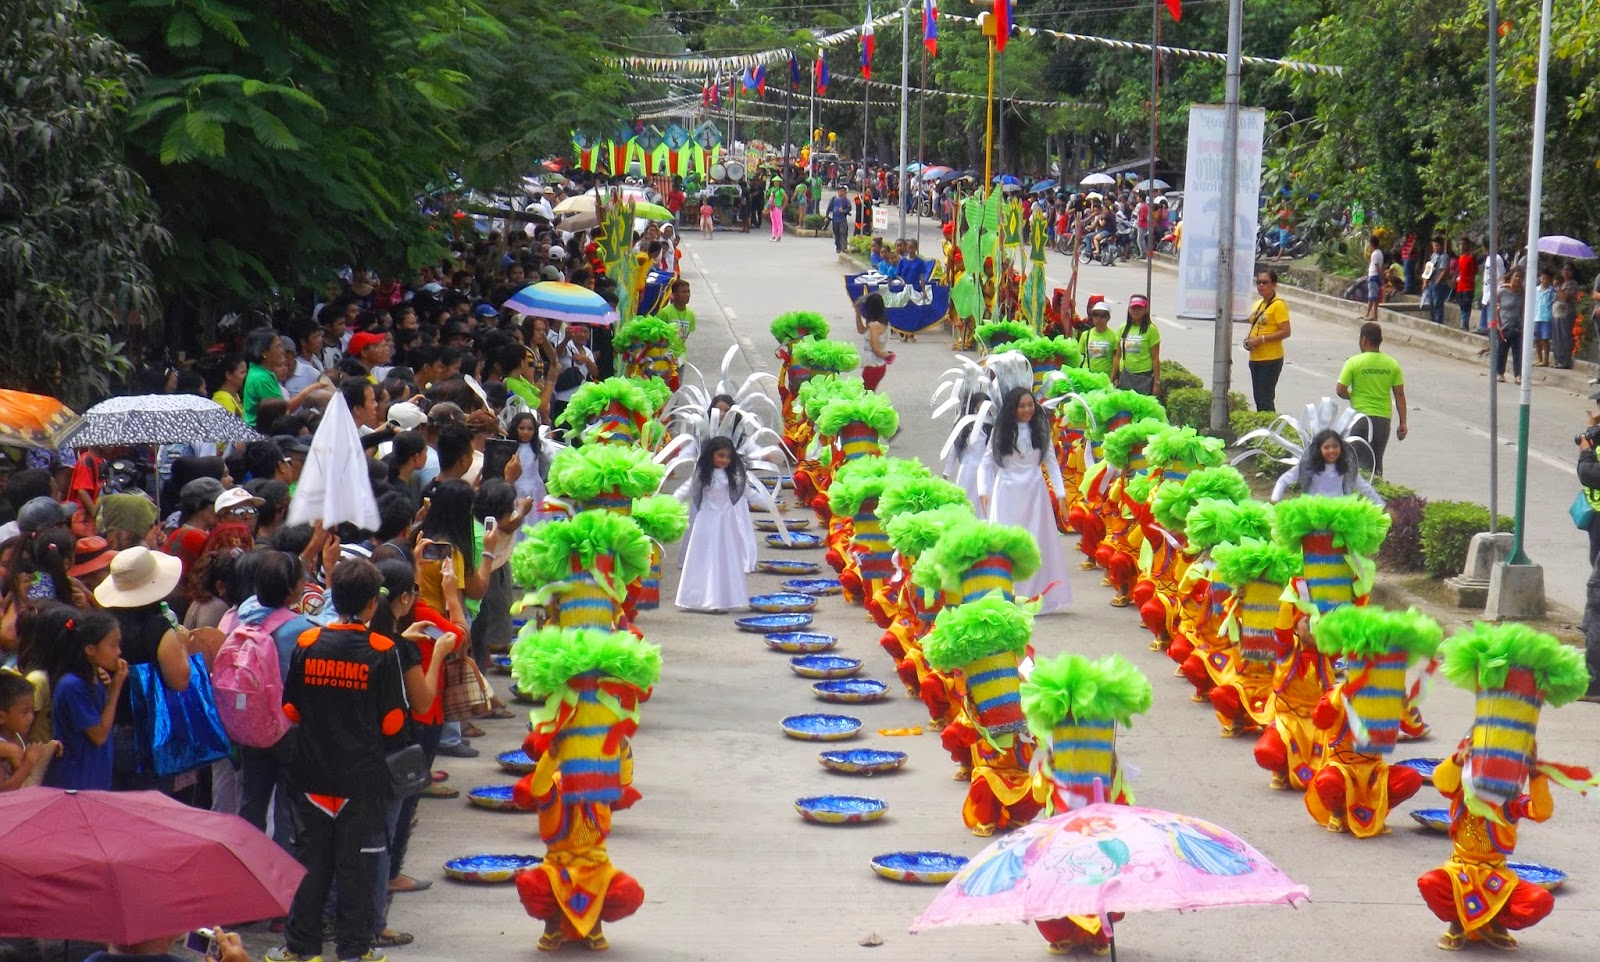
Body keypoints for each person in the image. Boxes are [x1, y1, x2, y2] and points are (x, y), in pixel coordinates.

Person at [269, 558, 409, 962]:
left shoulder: (308, 644)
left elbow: (291, 710)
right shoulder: (382, 650)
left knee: (310, 865)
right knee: (358, 868)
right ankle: (355, 950)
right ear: (371, 606)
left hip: (310, 777)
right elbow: (393, 722)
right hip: (360, 781)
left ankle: (301, 949)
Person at [978, 387, 1072, 614]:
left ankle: (1033, 597)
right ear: (1013, 408)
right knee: (1006, 544)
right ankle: (1005, 594)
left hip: (1034, 493)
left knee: (1036, 542)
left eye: (1030, 405)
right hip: (1006, 492)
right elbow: (986, 463)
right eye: (1022, 406)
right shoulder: (1001, 431)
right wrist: (984, 490)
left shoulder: (1040, 429)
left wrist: (1061, 495)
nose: (1027, 410)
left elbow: (1050, 462)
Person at [673, 437, 761, 613]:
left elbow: (749, 493)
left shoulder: (733, 477)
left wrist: (770, 504)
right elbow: (684, 492)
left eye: (728, 457)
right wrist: (665, 505)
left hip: (726, 524)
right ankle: (701, 598)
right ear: (711, 455)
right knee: (704, 558)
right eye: (720, 455)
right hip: (705, 522)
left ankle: (721, 599)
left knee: (723, 559)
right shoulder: (702, 475)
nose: (724, 460)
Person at [41, 610, 124, 791]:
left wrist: (110, 688)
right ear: (90, 650)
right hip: (77, 781)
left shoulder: (94, 680)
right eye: (113, 645)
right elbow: (99, 735)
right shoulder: (72, 686)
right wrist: (116, 688)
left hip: (97, 775)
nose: (118, 652)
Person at [1335, 322, 1407, 476]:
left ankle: (1357, 495)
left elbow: (1340, 390)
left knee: (1357, 461)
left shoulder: (1354, 362)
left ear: (1364, 340)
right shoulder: (1392, 364)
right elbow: (1400, 395)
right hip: (1383, 419)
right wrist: (1403, 423)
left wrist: (1353, 397)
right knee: (1376, 460)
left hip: (1360, 418)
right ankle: (1376, 494)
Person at [1269, 429, 1384, 503]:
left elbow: (1364, 487)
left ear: (1341, 447)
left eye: (1335, 446)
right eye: (1326, 447)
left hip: (1340, 512)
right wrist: (1275, 499)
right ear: (1319, 449)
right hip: (1313, 511)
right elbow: (1283, 480)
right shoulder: (1309, 466)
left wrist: (1383, 506)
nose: (1331, 451)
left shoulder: (1346, 467)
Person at [0, 669, 59, 790]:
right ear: (1, 717)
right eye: (25, 712)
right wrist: (29, 763)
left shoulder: (19, 737)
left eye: (33, 710)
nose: (31, 717)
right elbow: (4, 791)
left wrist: (48, 749)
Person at [1244, 270, 1291, 412]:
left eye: (1265, 282)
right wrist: (1249, 340)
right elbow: (1255, 325)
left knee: (1266, 398)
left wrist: (1262, 339)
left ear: (1274, 284)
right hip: (1255, 357)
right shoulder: (1258, 304)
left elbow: (1286, 331)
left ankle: (1269, 428)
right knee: (1258, 397)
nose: (1261, 286)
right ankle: (1262, 425)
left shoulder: (1278, 305)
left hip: (1271, 359)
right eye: (1258, 282)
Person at [1111, 295, 1161, 396]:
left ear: (1146, 310)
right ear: (1129, 309)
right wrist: (1112, 378)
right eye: (1133, 308)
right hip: (1125, 375)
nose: (1136, 311)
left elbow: (1155, 358)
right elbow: (1117, 357)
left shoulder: (1151, 329)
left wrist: (1157, 383)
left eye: (1140, 308)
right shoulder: (1123, 328)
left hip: (1143, 377)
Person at [242, 328, 289, 428]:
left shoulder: (259, 371)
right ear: (264, 353)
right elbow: (281, 411)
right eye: (278, 346)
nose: (282, 351)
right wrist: (311, 389)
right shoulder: (262, 378)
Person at [854, 293, 894, 391]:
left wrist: (885, 355)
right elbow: (861, 330)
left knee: (866, 393)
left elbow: (875, 348)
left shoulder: (874, 325)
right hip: (877, 365)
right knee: (869, 392)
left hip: (873, 364)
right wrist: (857, 312)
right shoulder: (882, 322)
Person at [1494, 268, 1526, 384]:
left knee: (1518, 353)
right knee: (1502, 351)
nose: (1518, 279)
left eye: (1520, 277)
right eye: (1516, 276)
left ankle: (1518, 375)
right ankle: (1500, 373)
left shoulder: (1522, 293)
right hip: (1503, 327)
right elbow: (1493, 305)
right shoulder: (1502, 291)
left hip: (1517, 327)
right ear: (1511, 277)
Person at [1078, 299, 1117, 375]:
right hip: (1088, 376)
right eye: (1095, 315)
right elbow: (1080, 356)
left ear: (1108, 318)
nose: (1098, 318)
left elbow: (1116, 359)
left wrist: (1113, 378)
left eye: (1102, 315)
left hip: (1105, 378)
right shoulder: (1086, 335)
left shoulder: (1113, 336)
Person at [1554, 261, 1579, 369]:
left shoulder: (1572, 284)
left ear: (1572, 272)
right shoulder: (1563, 283)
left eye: (1568, 270)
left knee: (1564, 336)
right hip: (1557, 314)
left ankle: (1564, 361)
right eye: (1564, 270)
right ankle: (1558, 359)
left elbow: (1565, 297)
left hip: (1566, 314)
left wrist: (1558, 288)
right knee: (1557, 337)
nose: (1566, 272)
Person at [1422, 235, 1452, 325]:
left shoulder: (1444, 256)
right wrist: (1425, 281)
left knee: (1438, 303)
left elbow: (1444, 271)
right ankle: (1433, 318)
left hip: (1439, 284)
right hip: (1431, 283)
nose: (1436, 248)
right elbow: (1428, 268)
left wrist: (1437, 282)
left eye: (1438, 246)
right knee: (1431, 303)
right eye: (1434, 246)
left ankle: (1438, 321)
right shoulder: (1433, 256)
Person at [656, 279, 696, 345]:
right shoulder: (665, 312)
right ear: (674, 294)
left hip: (679, 353)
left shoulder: (691, 314)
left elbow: (685, 336)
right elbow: (656, 336)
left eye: (688, 292)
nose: (687, 295)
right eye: (683, 292)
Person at [1454, 236, 1479, 330]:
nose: (1461, 246)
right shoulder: (1460, 258)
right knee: (1462, 306)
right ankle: (1463, 323)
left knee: (1466, 306)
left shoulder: (1471, 258)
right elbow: (1459, 271)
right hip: (1460, 286)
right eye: (1460, 244)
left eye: (1463, 244)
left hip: (1468, 287)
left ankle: (1464, 324)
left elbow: (1475, 271)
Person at [1361, 234, 1384, 322]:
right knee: (1372, 297)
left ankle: (1374, 315)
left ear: (1371, 244)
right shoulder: (1380, 253)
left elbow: (1377, 266)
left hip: (1373, 276)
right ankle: (1367, 313)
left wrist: (1380, 275)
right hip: (1375, 276)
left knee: (1373, 297)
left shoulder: (1374, 254)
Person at [826, 187, 852, 254]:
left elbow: (849, 208)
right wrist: (826, 217)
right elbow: (829, 208)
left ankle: (844, 247)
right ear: (838, 192)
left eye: (843, 191)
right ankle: (838, 247)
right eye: (840, 191)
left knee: (843, 233)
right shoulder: (834, 199)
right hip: (835, 219)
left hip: (842, 220)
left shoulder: (846, 200)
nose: (842, 193)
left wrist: (844, 211)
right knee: (836, 234)